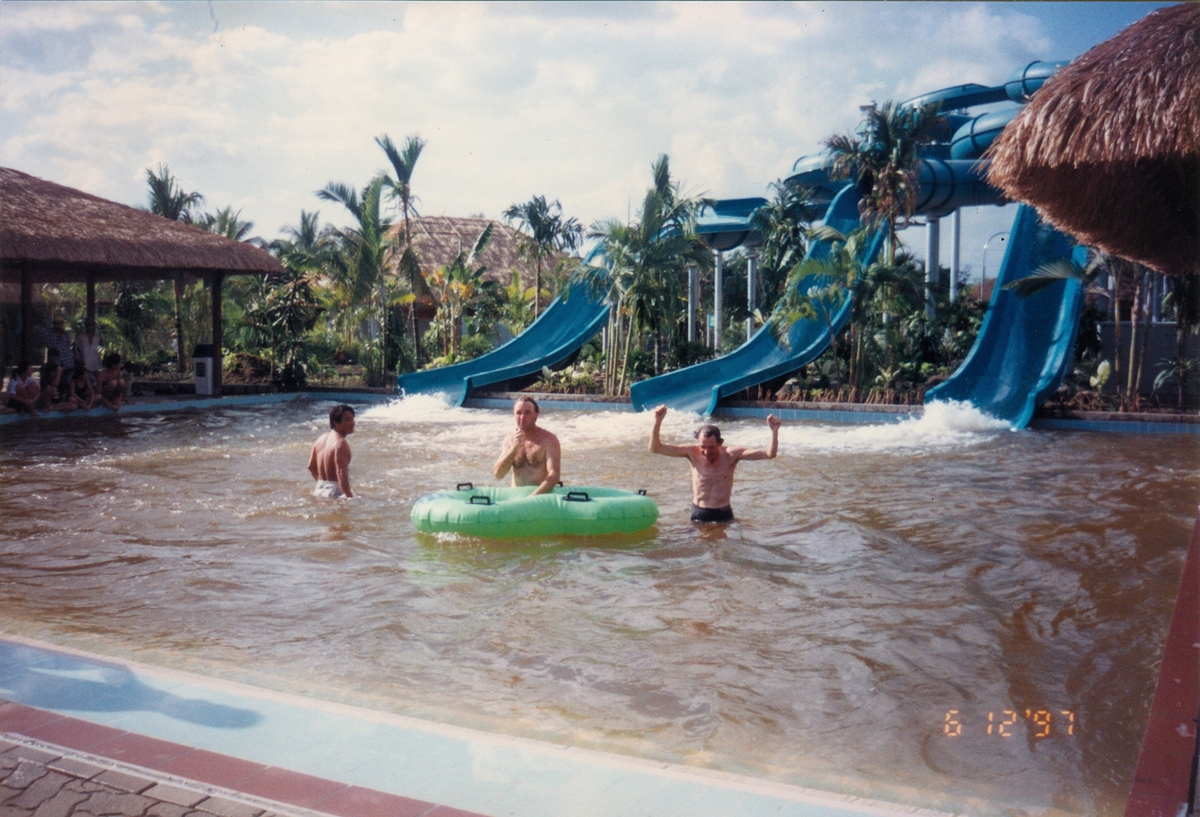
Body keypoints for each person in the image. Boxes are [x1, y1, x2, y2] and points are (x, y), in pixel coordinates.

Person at [649, 404, 781, 523]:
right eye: (703, 447)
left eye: (711, 447)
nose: (706, 452)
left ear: (720, 443)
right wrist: (657, 421)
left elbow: (769, 454)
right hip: (699, 512)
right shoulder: (691, 452)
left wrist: (774, 432)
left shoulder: (731, 454)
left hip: (722, 513)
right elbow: (655, 448)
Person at [493, 395, 561, 495]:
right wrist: (514, 447)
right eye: (518, 413)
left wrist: (533, 497)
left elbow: (554, 475)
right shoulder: (509, 440)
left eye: (527, 413)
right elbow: (498, 474)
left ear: (536, 415)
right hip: (516, 495)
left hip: (539, 496)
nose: (522, 417)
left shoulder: (549, 439)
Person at [308, 404, 355, 498]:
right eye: (347, 420)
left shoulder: (320, 439)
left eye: (352, 419)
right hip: (336, 491)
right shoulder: (340, 443)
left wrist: (324, 485)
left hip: (319, 489)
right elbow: (340, 473)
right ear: (336, 423)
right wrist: (349, 496)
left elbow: (311, 467)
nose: (352, 423)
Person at [74, 318, 101, 383]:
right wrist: (79, 361)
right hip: (85, 365)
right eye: (88, 325)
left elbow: (99, 350)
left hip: (95, 365)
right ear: (85, 326)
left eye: (91, 325)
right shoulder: (81, 337)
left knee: (95, 383)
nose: (90, 327)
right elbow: (76, 349)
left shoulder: (97, 337)